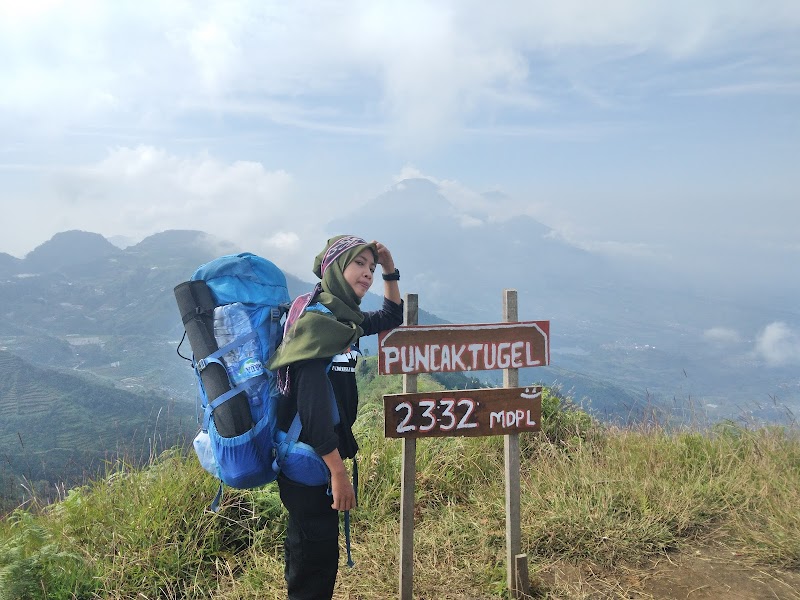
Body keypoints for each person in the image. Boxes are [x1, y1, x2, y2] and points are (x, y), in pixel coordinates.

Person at [267, 234, 403, 600]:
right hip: (310, 457)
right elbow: (311, 411)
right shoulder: (318, 324)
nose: (367, 274)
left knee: (307, 547)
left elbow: (393, 316)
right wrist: (338, 473)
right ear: (335, 268)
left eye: (371, 268)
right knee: (318, 558)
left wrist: (390, 270)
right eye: (359, 264)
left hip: (317, 458)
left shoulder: (346, 320)